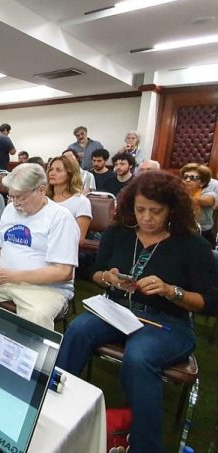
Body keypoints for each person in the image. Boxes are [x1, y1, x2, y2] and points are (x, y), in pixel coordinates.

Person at [56, 171, 218, 453]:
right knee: (78, 330)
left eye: (156, 211)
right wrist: (108, 277)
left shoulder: (192, 245)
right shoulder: (119, 233)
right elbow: (95, 273)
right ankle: (52, 404)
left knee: (140, 355)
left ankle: (145, 446)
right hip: (117, 309)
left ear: (172, 209)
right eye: (140, 209)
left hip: (168, 321)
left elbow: (209, 303)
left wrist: (171, 291)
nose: (146, 218)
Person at [0, 163, 79, 330]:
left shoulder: (60, 218)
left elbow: (63, 272)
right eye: (11, 196)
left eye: (21, 197)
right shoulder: (10, 210)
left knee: (37, 313)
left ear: (41, 190)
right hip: (6, 281)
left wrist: (13, 276)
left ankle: (26, 353)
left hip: (45, 288)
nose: (15, 203)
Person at [46, 155, 92, 239]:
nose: (52, 173)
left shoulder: (82, 201)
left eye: (58, 170)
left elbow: (79, 238)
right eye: (51, 169)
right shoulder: (44, 198)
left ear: (70, 174)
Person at [181, 163, 216, 247]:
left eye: (192, 178)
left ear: (202, 183)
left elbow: (205, 201)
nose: (188, 180)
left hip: (203, 235)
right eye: (185, 177)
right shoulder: (179, 191)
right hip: (182, 232)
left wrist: (179, 194)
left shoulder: (209, 193)